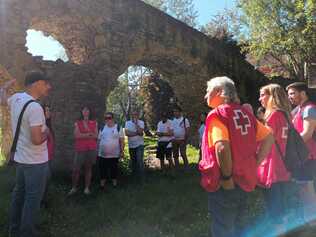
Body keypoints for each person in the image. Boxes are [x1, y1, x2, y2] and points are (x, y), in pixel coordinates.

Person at [200, 76, 273, 237]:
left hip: (226, 182)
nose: (206, 96)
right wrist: (255, 163)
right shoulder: (245, 114)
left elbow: (221, 146)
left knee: (223, 228)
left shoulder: (217, 114)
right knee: (240, 224)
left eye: (208, 91)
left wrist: (226, 177)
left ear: (219, 92)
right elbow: (269, 137)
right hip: (245, 179)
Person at [4, 71, 51, 237]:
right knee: (32, 199)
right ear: (37, 83)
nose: (48, 87)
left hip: (22, 160)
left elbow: (2, 98)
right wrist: (47, 131)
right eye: (46, 83)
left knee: (18, 196)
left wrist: (4, 87)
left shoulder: (16, 99)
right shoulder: (35, 107)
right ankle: (27, 233)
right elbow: (37, 140)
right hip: (36, 161)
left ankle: (14, 230)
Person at [257, 84, 296, 234]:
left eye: (262, 95)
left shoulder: (272, 116)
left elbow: (267, 142)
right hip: (283, 166)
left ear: (272, 96)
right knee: (281, 205)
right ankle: (285, 230)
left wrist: (256, 162)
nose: (260, 98)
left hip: (272, 167)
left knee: (275, 208)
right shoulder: (285, 114)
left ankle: (280, 233)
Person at [286, 82, 316, 223]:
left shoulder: (309, 109)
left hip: (308, 155)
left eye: (292, 93)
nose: (289, 97)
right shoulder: (297, 110)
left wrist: (291, 148)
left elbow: (307, 133)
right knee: (302, 188)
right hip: (300, 156)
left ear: (303, 93)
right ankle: (307, 218)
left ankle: (312, 222)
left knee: (307, 188)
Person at [68, 106, 98, 196]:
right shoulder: (78, 123)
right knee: (76, 169)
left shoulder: (94, 122)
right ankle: (74, 188)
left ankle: (87, 188)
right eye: (84, 110)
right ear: (81, 112)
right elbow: (76, 135)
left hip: (91, 148)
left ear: (90, 112)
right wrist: (89, 134)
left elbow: (96, 136)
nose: (85, 112)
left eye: (87, 110)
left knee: (88, 169)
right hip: (80, 149)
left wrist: (83, 134)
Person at [97, 112, 125, 189]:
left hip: (114, 154)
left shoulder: (118, 127)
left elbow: (122, 141)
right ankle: (102, 186)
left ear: (113, 118)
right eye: (106, 118)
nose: (107, 120)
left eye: (109, 118)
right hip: (102, 155)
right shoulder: (102, 128)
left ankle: (114, 185)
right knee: (103, 170)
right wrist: (97, 151)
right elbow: (99, 140)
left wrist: (122, 151)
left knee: (114, 169)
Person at [41, 104, 55, 207]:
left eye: (49, 110)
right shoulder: (41, 125)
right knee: (44, 180)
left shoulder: (48, 124)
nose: (49, 112)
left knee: (47, 180)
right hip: (42, 159)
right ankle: (41, 201)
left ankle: (43, 200)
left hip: (48, 157)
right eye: (46, 110)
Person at [125, 111, 145, 180]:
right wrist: (137, 133)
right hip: (131, 145)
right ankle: (134, 177)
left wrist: (136, 124)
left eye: (136, 114)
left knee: (139, 161)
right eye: (133, 115)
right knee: (133, 161)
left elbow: (141, 133)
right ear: (131, 115)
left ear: (138, 115)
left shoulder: (141, 122)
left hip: (140, 145)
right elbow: (127, 133)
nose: (134, 116)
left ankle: (142, 178)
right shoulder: (127, 123)